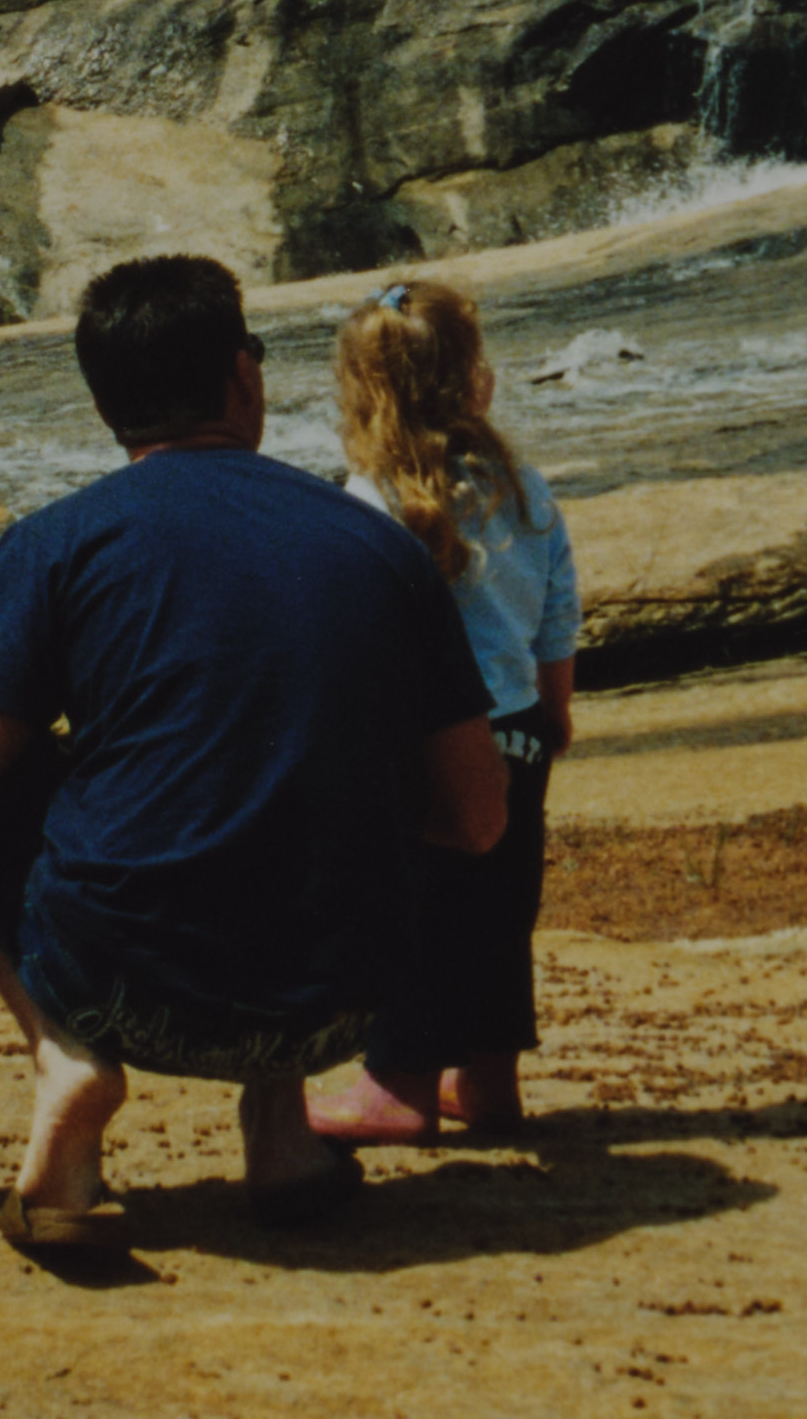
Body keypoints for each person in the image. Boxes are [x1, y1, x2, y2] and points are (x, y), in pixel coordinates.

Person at [0, 252, 504, 1255]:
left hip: (126, 991)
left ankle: (64, 1064)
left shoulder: (58, 543)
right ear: (242, 374)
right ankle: (281, 1137)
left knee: (16, 769)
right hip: (343, 996)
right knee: (290, 747)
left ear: (105, 404)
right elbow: (478, 814)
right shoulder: (380, 545)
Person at [309, 276, 580, 1144]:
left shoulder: (370, 504)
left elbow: (359, 641)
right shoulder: (526, 490)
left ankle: (398, 1086)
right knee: (500, 910)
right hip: (518, 731)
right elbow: (555, 617)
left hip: (419, 745)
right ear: (478, 382)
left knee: (414, 910)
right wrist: (552, 714)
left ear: (361, 395)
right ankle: (489, 1082)